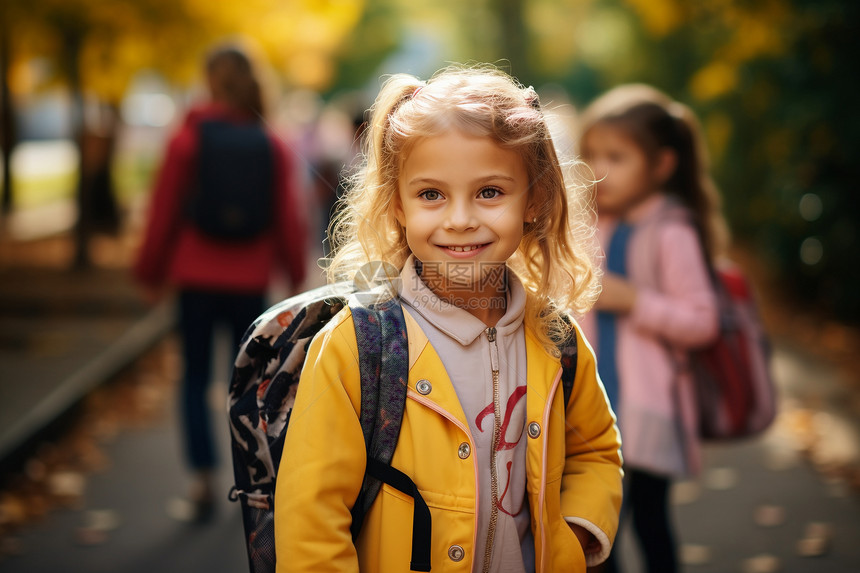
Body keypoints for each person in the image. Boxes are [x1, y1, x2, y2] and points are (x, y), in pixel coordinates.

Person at [274, 65, 622, 573]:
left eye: (489, 192)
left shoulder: (555, 337)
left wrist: (574, 536)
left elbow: (595, 450)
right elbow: (311, 523)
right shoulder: (356, 347)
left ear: (536, 199)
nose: (459, 219)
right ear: (398, 205)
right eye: (431, 194)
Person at [134, 44, 308, 522]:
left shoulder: (187, 139)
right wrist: (294, 276)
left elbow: (163, 211)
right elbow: (287, 218)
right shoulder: (269, 141)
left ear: (209, 80)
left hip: (195, 278)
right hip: (249, 281)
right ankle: (253, 481)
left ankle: (202, 480)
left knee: (194, 377)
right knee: (250, 386)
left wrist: (150, 271)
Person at [577, 84, 727, 572]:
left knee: (648, 521)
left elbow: (703, 322)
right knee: (597, 529)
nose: (600, 170)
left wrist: (636, 300)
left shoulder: (672, 232)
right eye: (592, 155)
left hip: (649, 411)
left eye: (617, 157)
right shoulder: (593, 226)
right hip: (594, 410)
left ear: (662, 165)